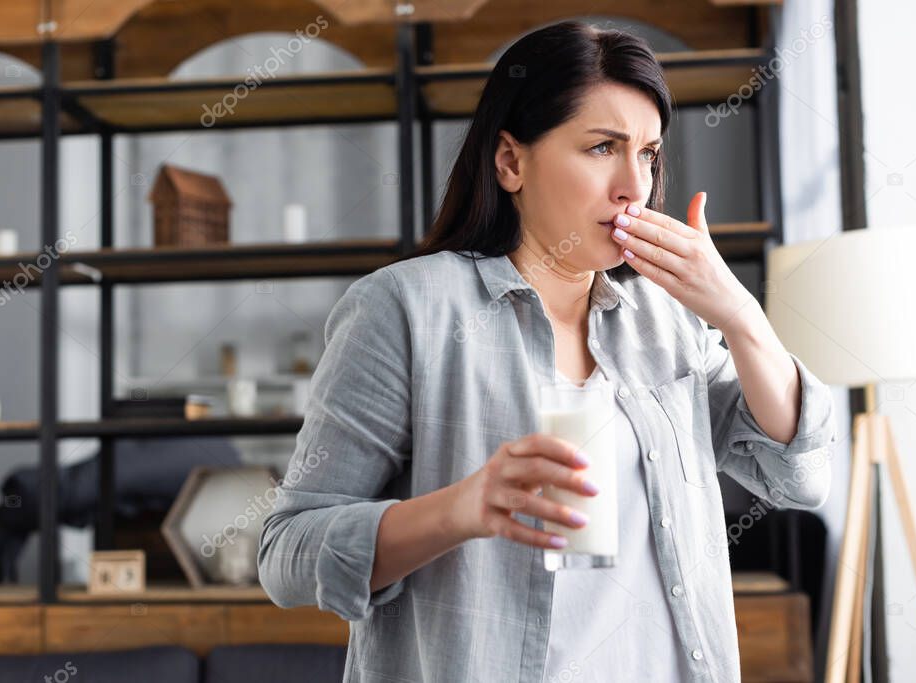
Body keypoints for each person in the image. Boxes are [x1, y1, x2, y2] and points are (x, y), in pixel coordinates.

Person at [258, 19, 836, 683]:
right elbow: (286, 555)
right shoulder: (405, 309)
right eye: (601, 148)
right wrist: (459, 508)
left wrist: (739, 313)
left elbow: (800, 475)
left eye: (648, 154)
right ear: (511, 162)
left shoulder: (667, 323)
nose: (633, 186)